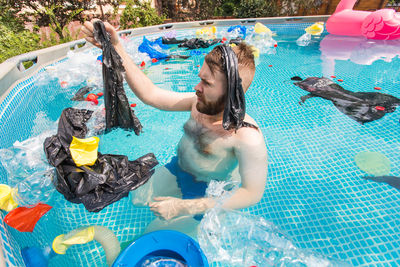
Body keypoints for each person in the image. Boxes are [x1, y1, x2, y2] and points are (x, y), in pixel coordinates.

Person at [81, 20, 268, 236]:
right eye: (200, 78)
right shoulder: (198, 103)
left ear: (231, 93)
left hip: (205, 190)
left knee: (152, 235)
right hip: (178, 169)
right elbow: (151, 95)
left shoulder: (247, 137)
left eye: (206, 84)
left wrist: (183, 206)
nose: (196, 88)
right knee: (137, 198)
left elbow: (251, 193)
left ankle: (199, 226)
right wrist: (116, 46)